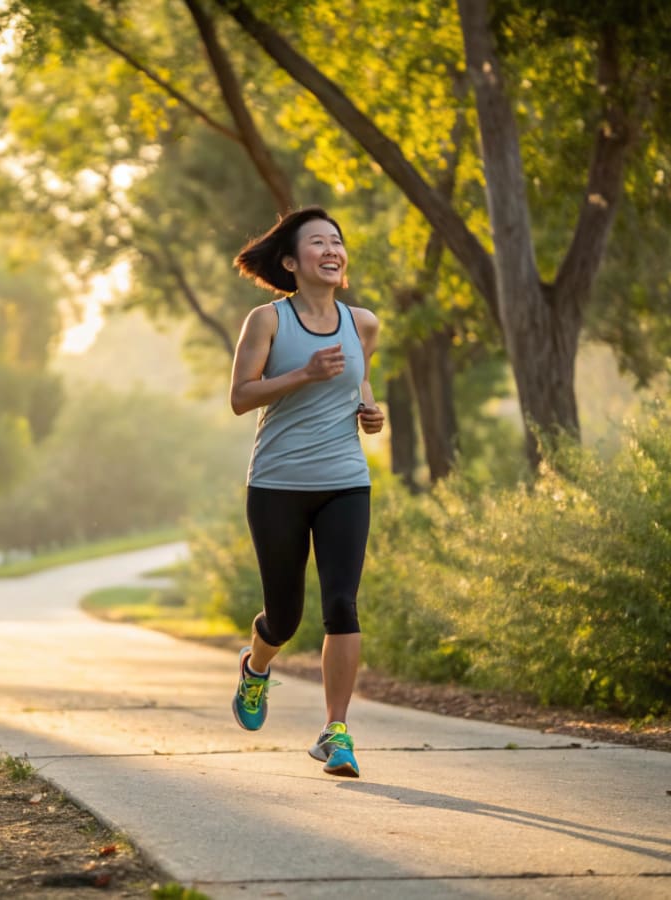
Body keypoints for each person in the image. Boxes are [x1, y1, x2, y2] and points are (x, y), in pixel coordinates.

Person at [227, 205, 385, 778]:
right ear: (292, 262)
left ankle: (335, 731)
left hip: (345, 481)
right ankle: (256, 664)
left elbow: (358, 378)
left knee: (342, 604)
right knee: (286, 616)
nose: (332, 250)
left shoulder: (362, 322)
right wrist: (303, 375)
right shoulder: (267, 321)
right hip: (276, 485)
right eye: (318, 242)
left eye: (337, 242)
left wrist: (370, 410)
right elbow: (241, 396)